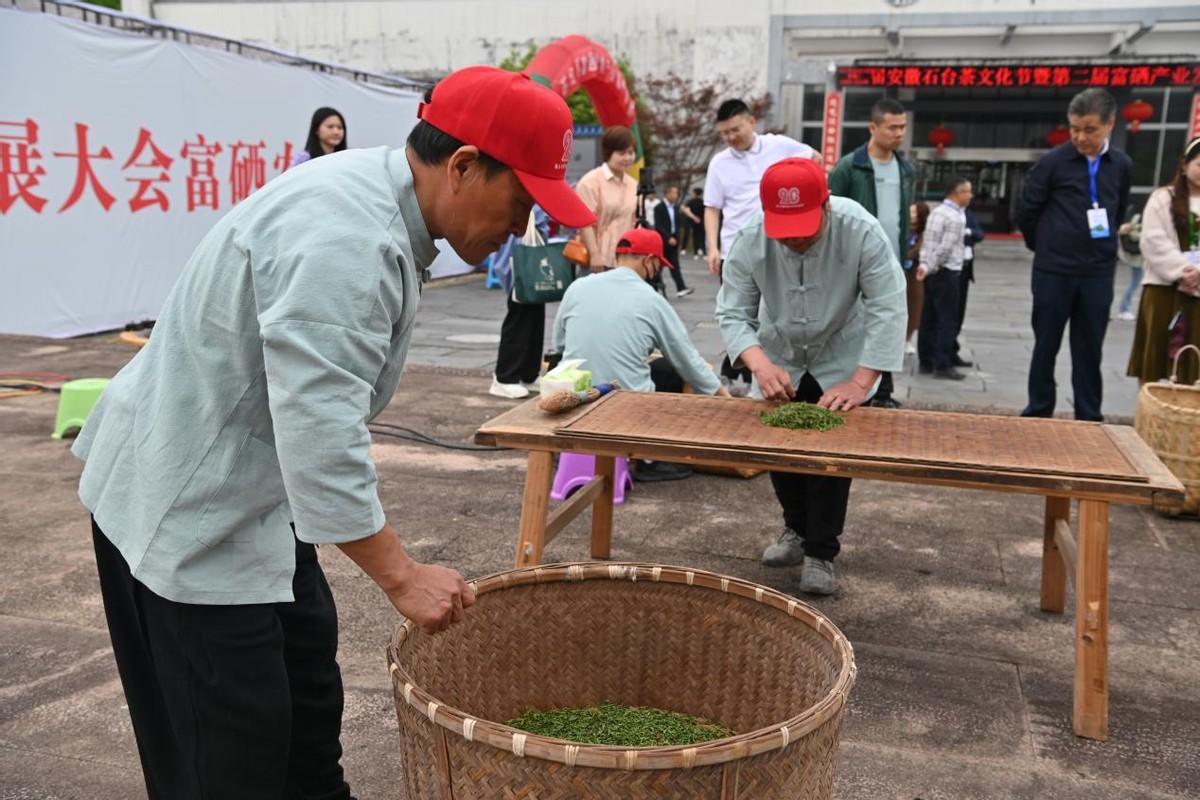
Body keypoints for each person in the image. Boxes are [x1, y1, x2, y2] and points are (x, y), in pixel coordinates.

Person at [71, 66, 595, 800]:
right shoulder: (349, 241)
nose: (522, 228)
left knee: (307, 701)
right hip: (185, 510)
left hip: (254, 492)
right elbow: (319, 432)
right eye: (520, 202)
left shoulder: (379, 195)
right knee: (228, 756)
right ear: (464, 166)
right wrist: (402, 576)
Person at [716, 158, 905, 594]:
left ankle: (821, 551)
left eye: (806, 226)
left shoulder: (860, 230)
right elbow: (732, 311)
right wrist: (759, 363)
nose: (797, 238)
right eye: (787, 229)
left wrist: (860, 382)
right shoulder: (750, 237)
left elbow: (888, 305)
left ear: (827, 204)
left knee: (829, 460)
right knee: (780, 448)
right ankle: (795, 531)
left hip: (842, 355)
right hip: (780, 352)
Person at [554, 228, 727, 482]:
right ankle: (647, 459)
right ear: (648, 261)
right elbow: (689, 362)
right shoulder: (651, 300)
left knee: (660, 368)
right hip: (627, 415)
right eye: (658, 266)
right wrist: (728, 401)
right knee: (672, 370)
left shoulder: (577, 287)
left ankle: (569, 453)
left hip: (573, 402)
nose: (657, 272)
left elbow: (559, 344)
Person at [1018, 87, 1131, 421]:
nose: (1081, 137)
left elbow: (1118, 208)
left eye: (1090, 129)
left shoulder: (1120, 164)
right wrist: (1046, 245)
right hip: (1054, 270)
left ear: (1110, 124)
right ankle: (1039, 410)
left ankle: (1089, 414)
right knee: (1045, 345)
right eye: (1075, 129)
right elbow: (1028, 211)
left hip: (1097, 272)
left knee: (1089, 347)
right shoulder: (1053, 162)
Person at [704, 98, 821, 391]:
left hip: (778, 246)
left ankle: (774, 368)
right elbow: (712, 207)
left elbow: (815, 158)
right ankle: (739, 371)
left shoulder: (778, 146)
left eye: (735, 129)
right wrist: (712, 247)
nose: (731, 137)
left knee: (771, 311)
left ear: (752, 122)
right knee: (736, 310)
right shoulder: (719, 163)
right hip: (735, 249)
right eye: (725, 133)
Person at [828, 97, 916, 407]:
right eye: (892, 127)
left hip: (892, 260)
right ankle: (855, 387)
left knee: (889, 321)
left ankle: (885, 392)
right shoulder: (850, 167)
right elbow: (829, 213)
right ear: (873, 127)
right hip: (853, 264)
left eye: (902, 127)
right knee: (858, 326)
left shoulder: (905, 169)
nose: (899, 133)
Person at [1128, 135, 1200, 386]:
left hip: (1198, 294)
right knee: (1153, 358)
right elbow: (1152, 240)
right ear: (1184, 165)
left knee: (1191, 361)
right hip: (1162, 289)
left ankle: (1185, 416)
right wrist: (1183, 270)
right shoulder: (1163, 198)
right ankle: (1150, 415)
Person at [489, 206, 554, 399]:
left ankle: (528, 373)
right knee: (519, 319)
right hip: (520, 260)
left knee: (534, 318)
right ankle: (504, 378)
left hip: (530, 256)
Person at [917, 177, 974, 380]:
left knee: (928, 317)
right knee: (947, 319)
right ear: (957, 193)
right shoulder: (954, 217)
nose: (970, 196)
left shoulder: (937, 212)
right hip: (947, 270)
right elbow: (944, 248)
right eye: (967, 191)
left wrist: (925, 265)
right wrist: (930, 264)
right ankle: (942, 363)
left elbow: (929, 244)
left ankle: (926, 361)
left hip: (932, 271)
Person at [575, 126, 639, 272]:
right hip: (597, 261)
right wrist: (595, 254)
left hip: (625, 261)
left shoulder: (634, 185)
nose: (628, 158)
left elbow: (634, 222)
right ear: (608, 152)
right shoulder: (590, 182)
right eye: (622, 153)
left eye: (631, 152)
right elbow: (586, 223)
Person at [654, 185, 694, 297]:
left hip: (674, 240)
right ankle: (655, 287)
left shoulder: (676, 208)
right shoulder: (659, 207)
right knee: (658, 266)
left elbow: (677, 225)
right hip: (663, 240)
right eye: (674, 193)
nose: (676, 196)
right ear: (667, 194)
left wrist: (676, 238)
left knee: (675, 265)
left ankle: (681, 288)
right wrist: (668, 238)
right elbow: (659, 226)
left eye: (677, 193)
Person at [904, 201, 931, 354]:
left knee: (914, 306)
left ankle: (908, 339)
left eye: (914, 213)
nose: (911, 215)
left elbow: (918, 250)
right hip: (902, 270)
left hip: (914, 272)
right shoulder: (902, 229)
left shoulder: (923, 233)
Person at [1115, 211, 1144, 321]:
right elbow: (1132, 234)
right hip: (1139, 259)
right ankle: (1124, 309)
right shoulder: (1139, 218)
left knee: (1136, 284)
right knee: (1135, 284)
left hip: (1141, 258)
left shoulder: (1138, 217)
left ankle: (1125, 309)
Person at [683, 187, 706, 255]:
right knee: (702, 236)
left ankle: (696, 251)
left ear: (695, 193)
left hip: (692, 221)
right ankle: (702, 250)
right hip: (701, 221)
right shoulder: (703, 202)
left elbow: (686, 210)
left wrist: (694, 218)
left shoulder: (691, 201)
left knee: (695, 236)